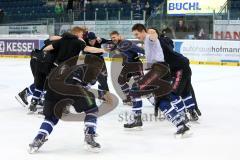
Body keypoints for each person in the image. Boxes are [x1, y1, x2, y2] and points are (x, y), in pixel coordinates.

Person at [28, 26, 108, 153]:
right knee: (92, 108)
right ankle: (90, 134)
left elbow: (47, 48)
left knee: (51, 117)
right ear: (77, 33)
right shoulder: (79, 42)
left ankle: (38, 139)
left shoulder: (60, 41)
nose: (84, 36)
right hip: (70, 83)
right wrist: (101, 49)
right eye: (82, 33)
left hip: (53, 81)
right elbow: (88, 48)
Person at [124, 23, 191, 137]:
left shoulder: (149, 38)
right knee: (162, 102)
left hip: (159, 70)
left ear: (142, 31)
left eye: (137, 34)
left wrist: (152, 32)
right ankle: (181, 125)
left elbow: (153, 37)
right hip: (162, 70)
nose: (136, 37)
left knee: (135, 90)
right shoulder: (145, 41)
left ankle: (137, 119)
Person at [148, 28, 201, 121]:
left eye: (153, 32)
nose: (150, 35)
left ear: (157, 34)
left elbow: (165, 50)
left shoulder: (160, 42)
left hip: (179, 68)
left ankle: (183, 115)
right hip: (182, 66)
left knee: (173, 93)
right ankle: (192, 112)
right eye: (149, 33)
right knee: (185, 91)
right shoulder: (163, 41)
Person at [109, 31, 145, 105]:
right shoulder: (118, 45)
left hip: (135, 64)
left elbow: (139, 50)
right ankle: (129, 98)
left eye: (114, 37)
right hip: (128, 66)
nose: (113, 39)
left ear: (119, 36)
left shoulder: (125, 43)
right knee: (120, 80)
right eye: (112, 38)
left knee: (140, 83)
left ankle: (154, 99)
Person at [83, 32, 111, 101]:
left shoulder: (99, 40)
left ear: (95, 39)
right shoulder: (84, 41)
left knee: (104, 78)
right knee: (93, 80)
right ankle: (83, 91)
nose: (91, 42)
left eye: (93, 40)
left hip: (100, 61)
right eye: (89, 40)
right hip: (89, 61)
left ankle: (101, 95)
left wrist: (103, 42)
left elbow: (110, 42)